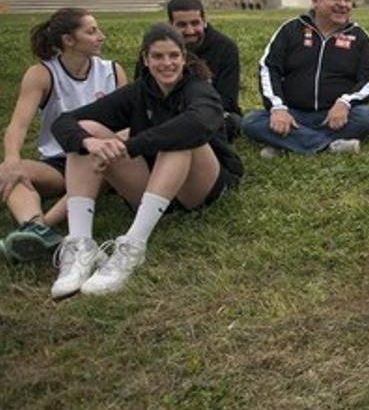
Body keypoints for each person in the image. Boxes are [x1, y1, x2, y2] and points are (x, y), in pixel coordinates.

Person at [49, 24, 243, 298]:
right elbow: (65, 121)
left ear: (184, 57)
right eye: (158, 56)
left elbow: (199, 123)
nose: (167, 63)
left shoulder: (199, 90)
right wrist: (89, 142)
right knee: (87, 132)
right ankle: (81, 245)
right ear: (145, 59)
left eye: (174, 56)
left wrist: (131, 145)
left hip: (200, 186)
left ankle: (133, 245)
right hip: (153, 185)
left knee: (180, 137)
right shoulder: (139, 91)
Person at [1, 9, 125, 262]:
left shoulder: (112, 70)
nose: (100, 36)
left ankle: (41, 228)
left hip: (100, 159)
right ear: (69, 40)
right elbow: (18, 126)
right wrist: (12, 161)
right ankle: (33, 225)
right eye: (91, 31)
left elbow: (126, 122)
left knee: (99, 171)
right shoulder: (41, 74)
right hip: (58, 162)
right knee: (9, 171)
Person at [243, 0, 369, 157]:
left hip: (335, 116)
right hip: (292, 113)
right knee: (251, 121)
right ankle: (330, 146)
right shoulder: (290, 30)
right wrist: (278, 108)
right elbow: (268, 69)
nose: (343, 4)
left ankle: (286, 143)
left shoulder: (359, 37)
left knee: (366, 117)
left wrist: (345, 103)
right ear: (315, 1)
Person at [136, 0, 242, 141]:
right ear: (170, 25)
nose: (190, 31)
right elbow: (141, 89)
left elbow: (228, 100)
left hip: (208, 113)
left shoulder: (225, 48)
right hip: (163, 112)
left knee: (232, 122)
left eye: (195, 23)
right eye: (182, 25)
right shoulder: (156, 48)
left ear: (204, 21)